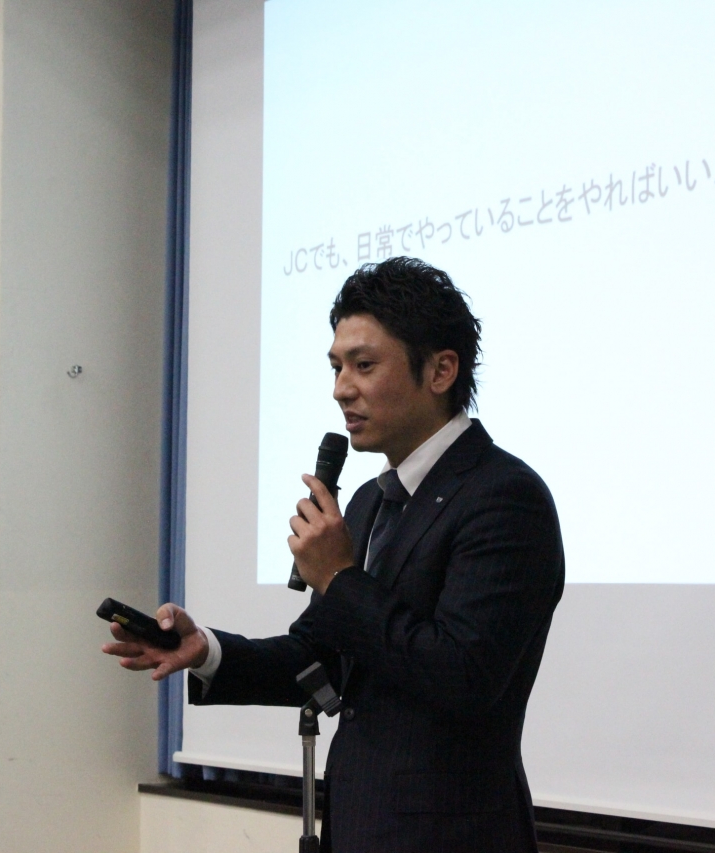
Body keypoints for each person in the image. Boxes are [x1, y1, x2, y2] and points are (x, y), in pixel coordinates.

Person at [103, 256, 565, 853]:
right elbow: (319, 657)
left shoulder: (504, 497)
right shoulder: (372, 499)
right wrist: (206, 650)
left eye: (364, 365)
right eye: (336, 366)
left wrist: (341, 577)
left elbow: (464, 677)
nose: (341, 388)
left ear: (441, 370)